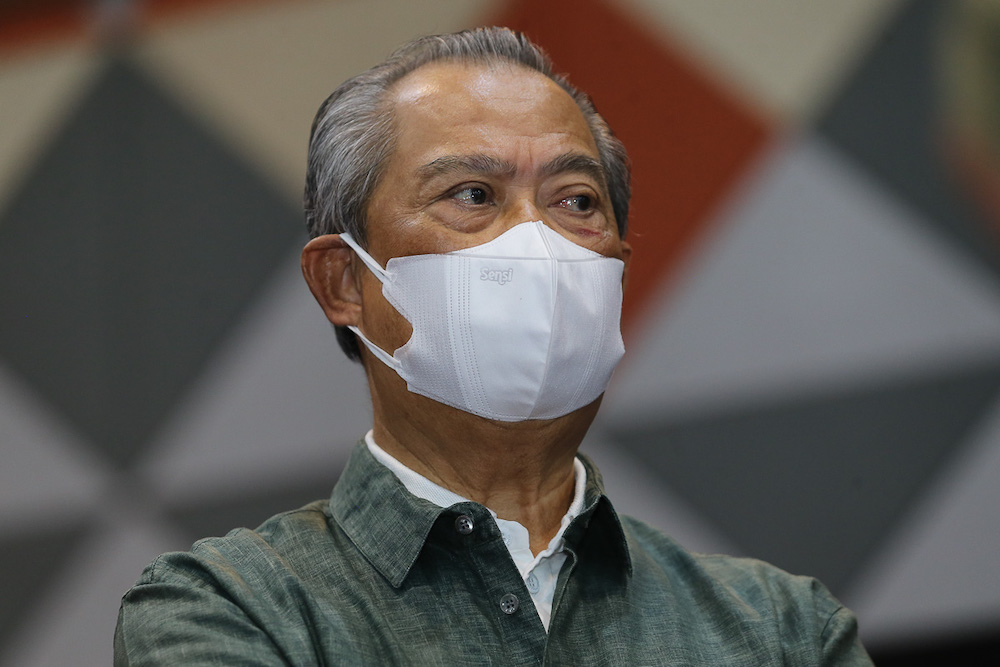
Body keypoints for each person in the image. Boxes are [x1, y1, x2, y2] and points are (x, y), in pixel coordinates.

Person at [115, 27, 872, 665]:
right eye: (472, 194)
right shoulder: (229, 611)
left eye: (576, 201)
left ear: (615, 270)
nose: (537, 243)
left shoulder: (783, 629)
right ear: (344, 280)